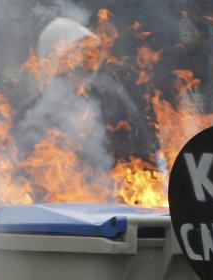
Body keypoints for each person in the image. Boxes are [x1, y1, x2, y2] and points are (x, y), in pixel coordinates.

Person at [13, 16, 156, 199]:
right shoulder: (30, 112)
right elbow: (15, 176)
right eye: (74, 54)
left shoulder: (113, 103)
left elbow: (143, 164)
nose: (84, 63)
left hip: (110, 215)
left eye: (89, 54)